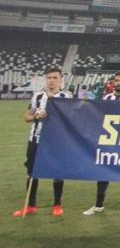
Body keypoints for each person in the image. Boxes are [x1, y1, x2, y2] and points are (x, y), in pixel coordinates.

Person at [13, 67, 72, 217]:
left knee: (57, 171)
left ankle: (57, 205)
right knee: (32, 172)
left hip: (57, 141)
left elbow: (71, 117)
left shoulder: (66, 96)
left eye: (55, 78)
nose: (52, 80)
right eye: (49, 77)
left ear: (60, 80)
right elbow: (27, 116)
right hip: (35, 139)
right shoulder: (38, 96)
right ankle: (31, 205)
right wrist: (36, 117)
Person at [84, 71, 120, 216]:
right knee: (103, 173)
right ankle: (98, 205)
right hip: (107, 141)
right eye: (116, 80)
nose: (118, 83)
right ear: (113, 82)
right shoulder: (107, 98)